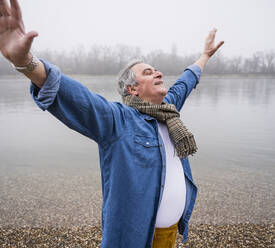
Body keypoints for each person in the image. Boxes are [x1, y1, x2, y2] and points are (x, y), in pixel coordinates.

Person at [0, 0, 224, 247]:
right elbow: (78, 99)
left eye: (157, 70)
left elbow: (186, 82)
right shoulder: (118, 121)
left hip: (170, 234)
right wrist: (27, 63)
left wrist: (204, 56)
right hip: (135, 239)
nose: (158, 73)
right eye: (148, 73)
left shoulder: (167, 111)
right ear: (132, 89)